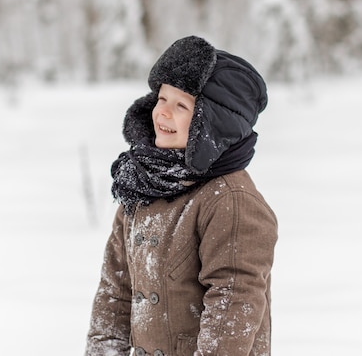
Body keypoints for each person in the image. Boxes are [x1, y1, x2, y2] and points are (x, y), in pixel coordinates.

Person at [85, 35, 278, 356]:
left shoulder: (229, 199)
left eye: (181, 106)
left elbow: (234, 300)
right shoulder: (142, 185)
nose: (163, 113)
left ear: (214, 123)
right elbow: (115, 289)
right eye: (161, 99)